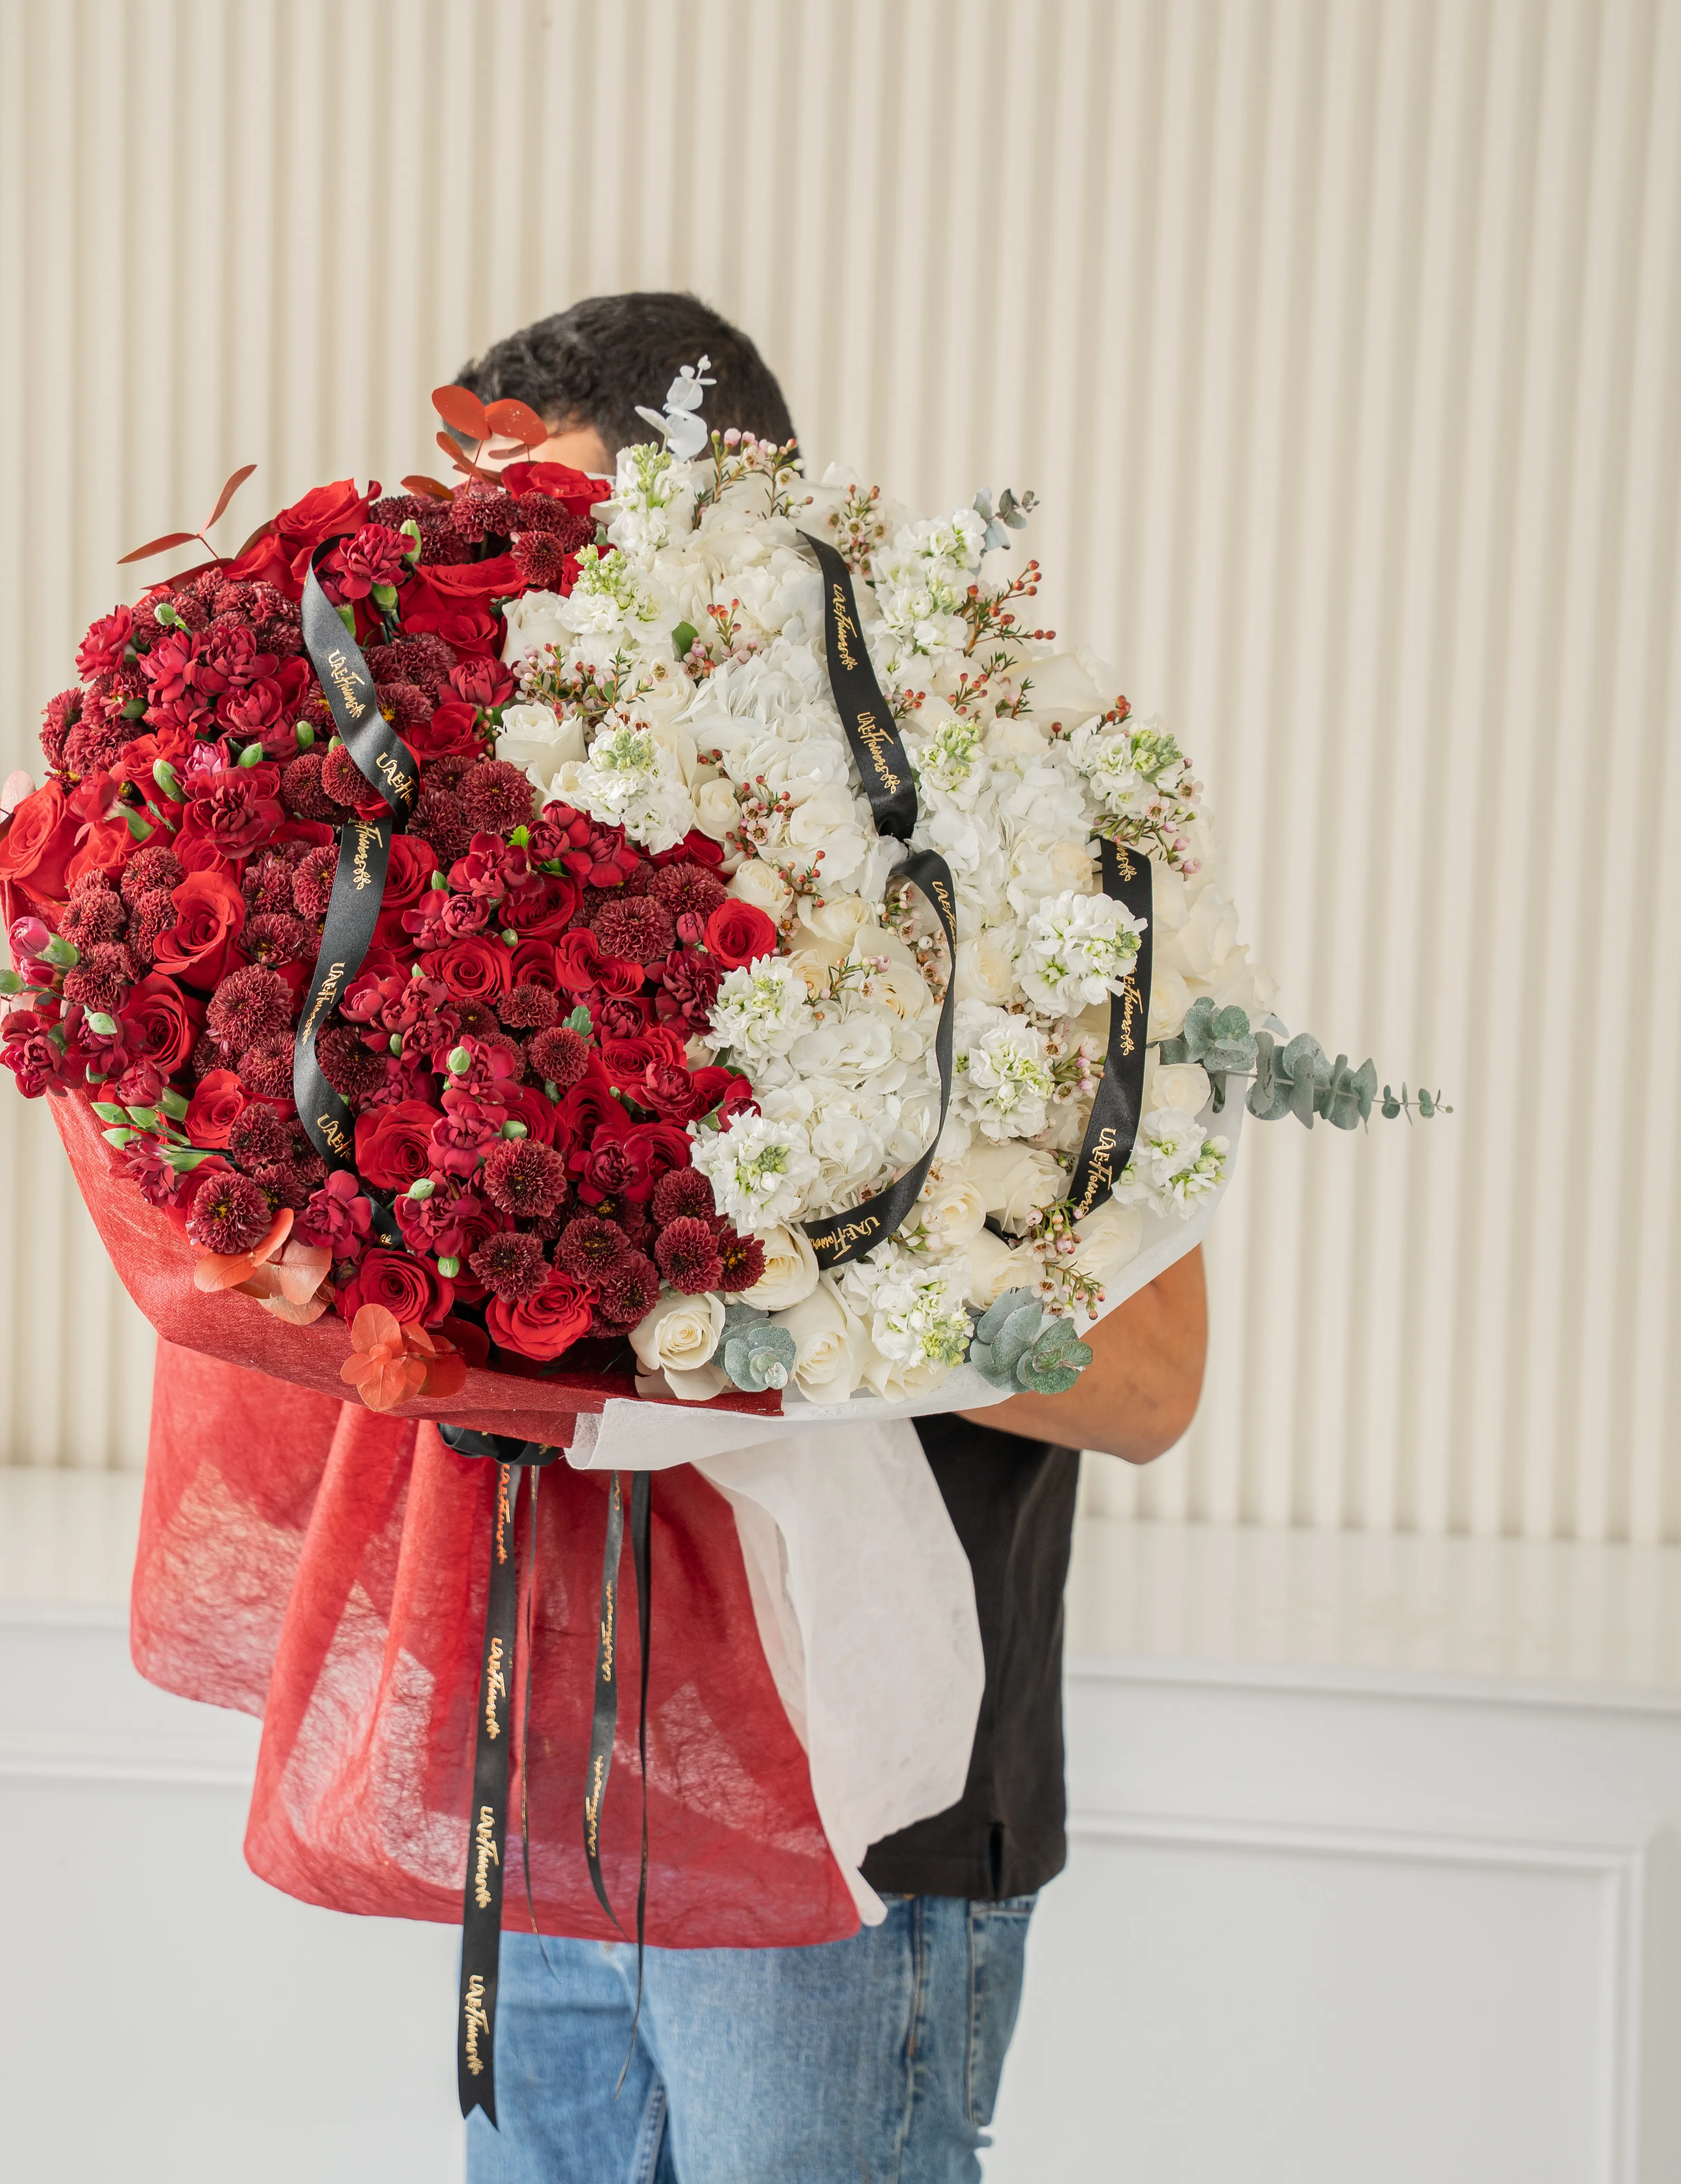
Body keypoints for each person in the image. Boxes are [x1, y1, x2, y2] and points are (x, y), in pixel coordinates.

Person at [451, 290, 1211, 2184]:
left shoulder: (996, 871)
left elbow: (1143, 1378)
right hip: (553, 1812)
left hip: (850, 1843)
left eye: (557, 544)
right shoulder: (516, 917)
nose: (523, 606)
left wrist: (760, 1307)